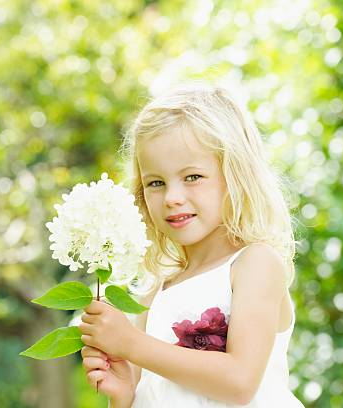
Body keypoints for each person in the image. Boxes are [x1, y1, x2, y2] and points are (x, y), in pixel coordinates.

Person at [78, 82, 304, 407]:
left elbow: (240, 383)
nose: (172, 198)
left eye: (192, 177)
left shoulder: (254, 264)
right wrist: (125, 394)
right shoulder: (156, 291)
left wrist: (129, 342)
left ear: (235, 175)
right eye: (156, 183)